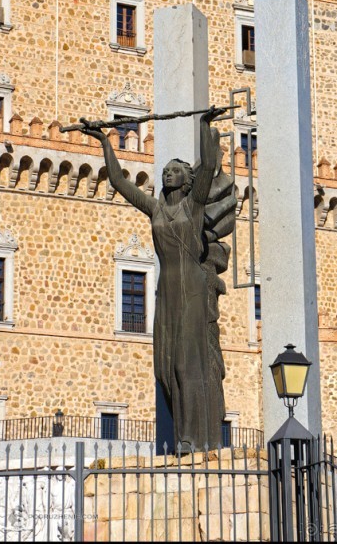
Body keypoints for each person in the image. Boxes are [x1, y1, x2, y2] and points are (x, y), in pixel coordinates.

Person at [80, 106, 228, 451]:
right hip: (166, 293)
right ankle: (183, 434)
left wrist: (206, 126)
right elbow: (118, 182)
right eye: (165, 170)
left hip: (191, 288)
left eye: (175, 170)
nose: (167, 174)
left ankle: (192, 437)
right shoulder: (156, 209)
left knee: (184, 364)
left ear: (188, 180)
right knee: (164, 367)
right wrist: (104, 140)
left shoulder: (193, 206)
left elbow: (207, 167)